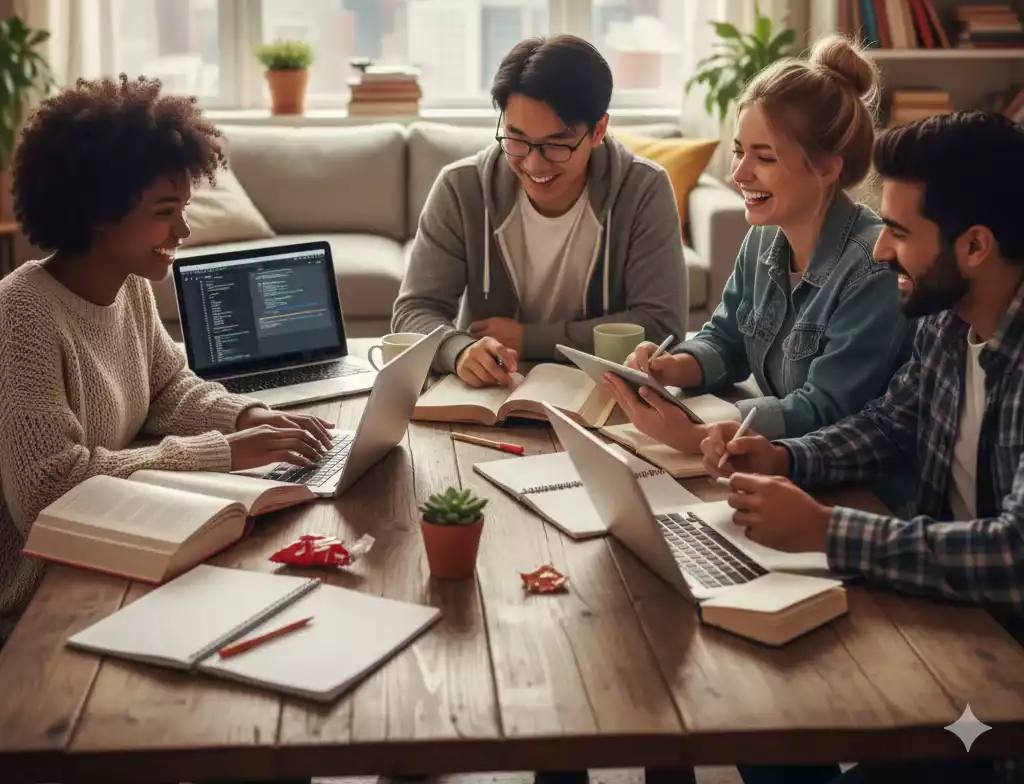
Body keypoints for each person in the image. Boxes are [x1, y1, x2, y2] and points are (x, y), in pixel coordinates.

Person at [702, 110, 1024, 784]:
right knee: (759, 704)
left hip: (1000, 670)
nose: (880, 252)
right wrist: (786, 457)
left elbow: (1014, 555)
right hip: (943, 609)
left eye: (900, 233)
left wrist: (827, 530)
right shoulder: (948, 318)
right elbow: (889, 424)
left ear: (974, 246)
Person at [0, 75, 334, 641]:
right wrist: (221, 452)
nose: (182, 229)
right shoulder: (20, 316)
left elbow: (169, 387)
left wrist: (245, 418)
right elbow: (48, 491)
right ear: (98, 212)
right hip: (47, 586)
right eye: (164, 211)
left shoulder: (127, 284)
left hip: (122, 535)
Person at [603, 35, 912, 458]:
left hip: (847, 487)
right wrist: (673, 365)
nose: (739, 174)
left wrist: (702, 434)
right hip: (769, 458)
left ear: (826, 169)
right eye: (738, 152)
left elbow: (826, 409)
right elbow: (725, 339)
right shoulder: (765, 235)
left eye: (764, 158)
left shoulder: (873, 269)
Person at [392, 34, 687, 387]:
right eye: (516, 138)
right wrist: (458, 350)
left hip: (600, 390)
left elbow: (663, 325)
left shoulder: (643, 190)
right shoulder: (461, 188)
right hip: (494, 391)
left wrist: (531, 339)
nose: (534, 163)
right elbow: (413, 311)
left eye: (556, 143)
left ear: (598, 130)